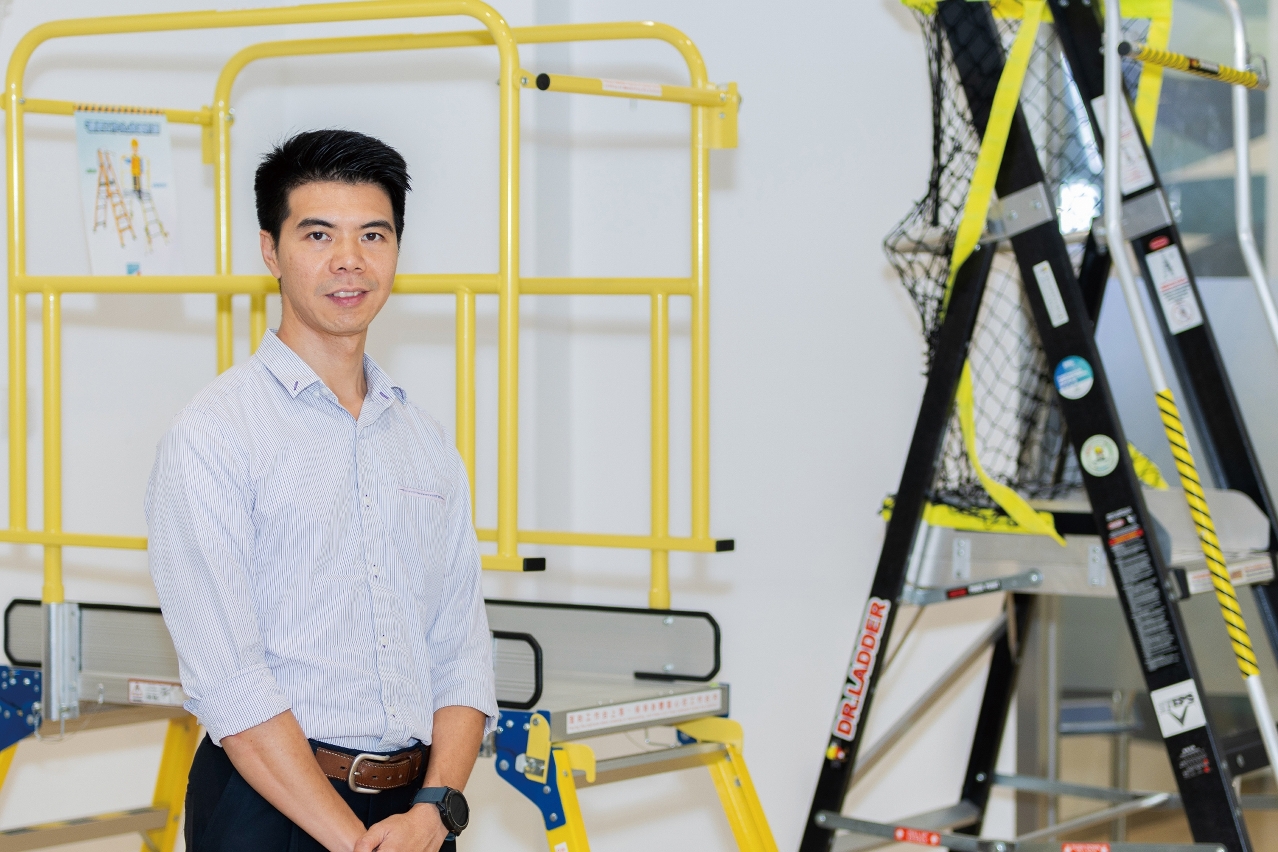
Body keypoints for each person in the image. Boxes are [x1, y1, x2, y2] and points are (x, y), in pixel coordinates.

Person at [146, 129, 496, 852]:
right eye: (317, 234)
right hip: (268, 805)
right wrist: (350, 840)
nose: (349, 260)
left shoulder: (426, 442)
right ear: (270, 251)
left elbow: (462, 652)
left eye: (373, 234)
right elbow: (231, 681)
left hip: (414, 817)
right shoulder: (214, 434)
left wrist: (435, 812)